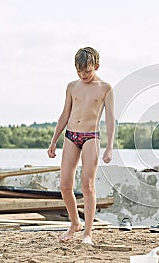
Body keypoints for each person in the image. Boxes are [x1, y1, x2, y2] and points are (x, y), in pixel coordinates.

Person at [47, 47, 115, 245]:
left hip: (91, 137)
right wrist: (53, 141)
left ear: (96, 66)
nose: (83, 75)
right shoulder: (71, 86)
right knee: (65, 185)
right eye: (79, 71)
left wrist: (109, 147)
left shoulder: (105, 88)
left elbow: (110, 119)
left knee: (87, 185)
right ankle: (74, 223)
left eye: (87, 71)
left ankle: (88, 233)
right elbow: (64, 115)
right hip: (71, 136)